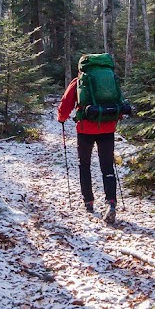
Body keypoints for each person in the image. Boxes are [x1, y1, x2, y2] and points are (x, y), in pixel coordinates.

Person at [56, 55, 130, 224]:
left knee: (84, 165)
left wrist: (61, 118)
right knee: (107, 166)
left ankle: (88, 201)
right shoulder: (109, 79)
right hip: (107, 127)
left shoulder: (79, 81)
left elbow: (66, 103)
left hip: (85, 129)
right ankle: (111, 202)